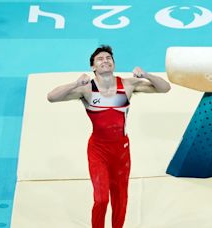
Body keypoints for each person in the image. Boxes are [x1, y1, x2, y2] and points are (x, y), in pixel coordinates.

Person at [47, 45, 171, 228]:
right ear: (93, 68)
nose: (105, 60)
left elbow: (165, 88)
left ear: (113, 64)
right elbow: (51, 97)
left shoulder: (128, 85)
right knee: (102, 199)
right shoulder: (87, 89)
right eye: (100, 59)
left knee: (120, 200)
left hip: (121, 152)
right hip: (98, 151)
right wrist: (75, 83)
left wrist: (147, 75)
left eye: (108, 58)